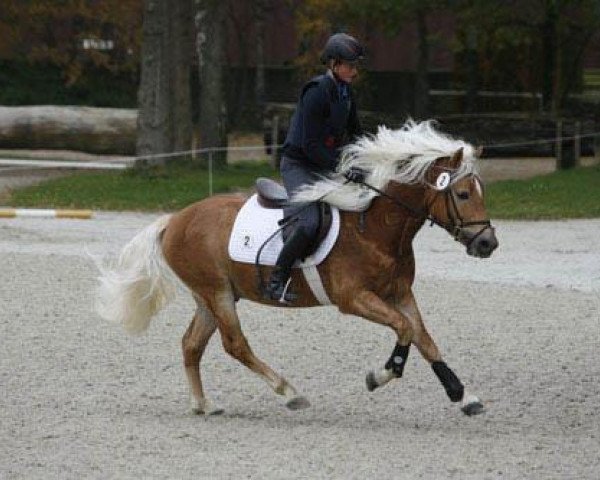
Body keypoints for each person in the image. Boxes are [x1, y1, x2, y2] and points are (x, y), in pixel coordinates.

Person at [266, 32, 366, 302]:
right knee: (309, 222)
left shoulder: (346, 92)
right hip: (299, 164)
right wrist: (342, 168)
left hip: (324, 164)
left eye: (356, 66)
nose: (354, 71)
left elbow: (355, 133)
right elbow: (310, 145)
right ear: (334, 64)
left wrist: (367, 159)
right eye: (350, 65)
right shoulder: (316, 91)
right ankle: (276, 280)